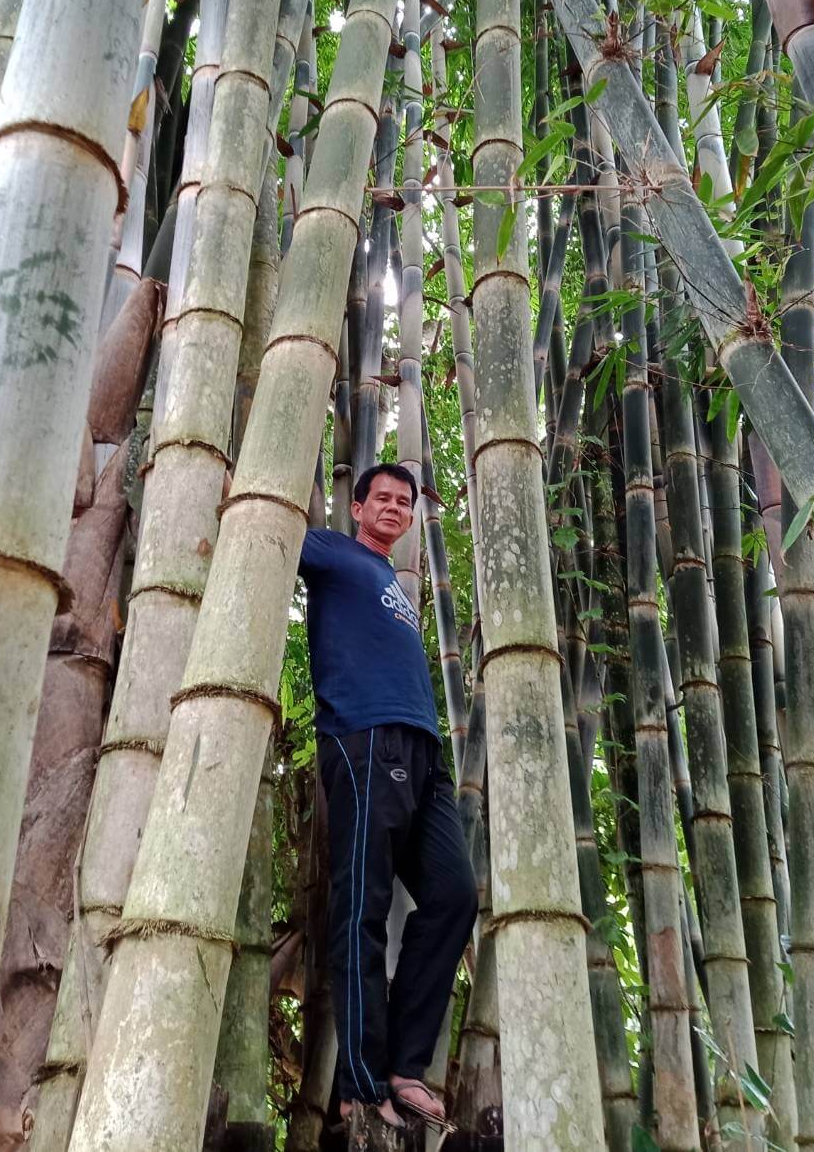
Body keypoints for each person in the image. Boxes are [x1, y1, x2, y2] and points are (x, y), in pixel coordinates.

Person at [297, 462, 478, 1129]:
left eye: (405, 501)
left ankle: (404, 1066)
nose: (396, 508)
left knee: (455, 895)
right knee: (364, 907)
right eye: (384, 498)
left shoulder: (391, 579)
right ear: (358, 506)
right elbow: (260, 514)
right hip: (365, 736)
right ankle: (361, 1082)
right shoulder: (331, 551)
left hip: (424, 752)